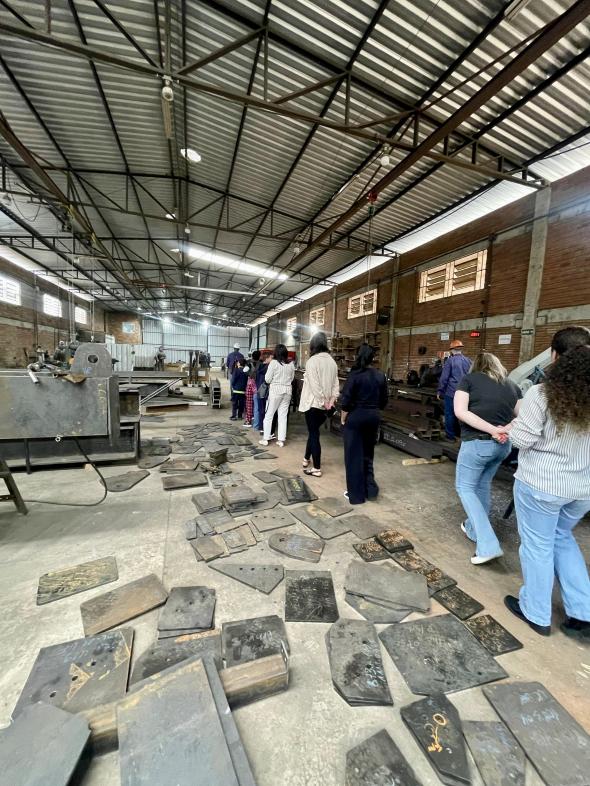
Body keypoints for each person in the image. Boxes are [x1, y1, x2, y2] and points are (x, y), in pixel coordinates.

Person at [500, 344, 590, 639]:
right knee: (562, 538)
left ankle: (535, 612)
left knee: (537, 546)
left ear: (559, 362)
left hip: (542, 485)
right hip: (582, 489)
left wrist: (513, 427)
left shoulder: (541, 394)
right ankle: (583, 611)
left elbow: (521, 440)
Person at [453, 352, 522, 565]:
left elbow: (460, 412)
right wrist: (504, 430)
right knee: (482, 485)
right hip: (502, 447)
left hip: (477, 444)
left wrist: (493, 430)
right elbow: (525, 417)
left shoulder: (468, 380)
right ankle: (473, 529)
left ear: (476, 366)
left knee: (465, 488)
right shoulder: (512, 385)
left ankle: (488, 545)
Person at [340, 343, 388, 504]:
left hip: (356, 417)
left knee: (353, 456)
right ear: (373, 357)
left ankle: (356, 495)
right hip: (373, 417)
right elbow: (384, 401)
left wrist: (343, 418)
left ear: (357, 356)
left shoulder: (355, 375)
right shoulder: (380, 375)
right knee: (368, 454)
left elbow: (346, 400)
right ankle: (370, 489)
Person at [298, 332, 340, 478]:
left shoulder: (312, 361)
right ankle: (306, 459)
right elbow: (336, 385)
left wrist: (323, 402)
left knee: (314, 434)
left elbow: (315, 387)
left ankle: (316, 468)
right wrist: (331, 402)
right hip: (325, 406)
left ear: (313, 344)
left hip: (313, 404)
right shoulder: (332, 362)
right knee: (313, 431)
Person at [259, 344, 294, 448]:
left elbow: (267, 379)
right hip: (287, 391)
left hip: (275, 391)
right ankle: (281, 440)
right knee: (283, 416)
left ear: (276, 353)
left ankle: (266, 438)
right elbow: (292, 378)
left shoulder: (274, 363)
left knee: (269, 415)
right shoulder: (291, 364)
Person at [438, 339, 471, 440]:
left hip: (452, 392)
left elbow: (444, 378)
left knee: (450, 414)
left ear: (452, 350)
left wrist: (440, 391)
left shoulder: (450, 361)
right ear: (461, 349)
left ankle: (450, 436)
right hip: (465, 392)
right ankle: (463, 436)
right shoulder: (469, 361)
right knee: (463, 414)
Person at [244, 350, 261, 429]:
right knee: (257, 405)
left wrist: (250, 375)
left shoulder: (248, 363)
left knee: (249, 403)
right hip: (258, 385)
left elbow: (245, 371)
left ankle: (248, 420)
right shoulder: (261, 364)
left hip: (250, 384)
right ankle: (256, 421)